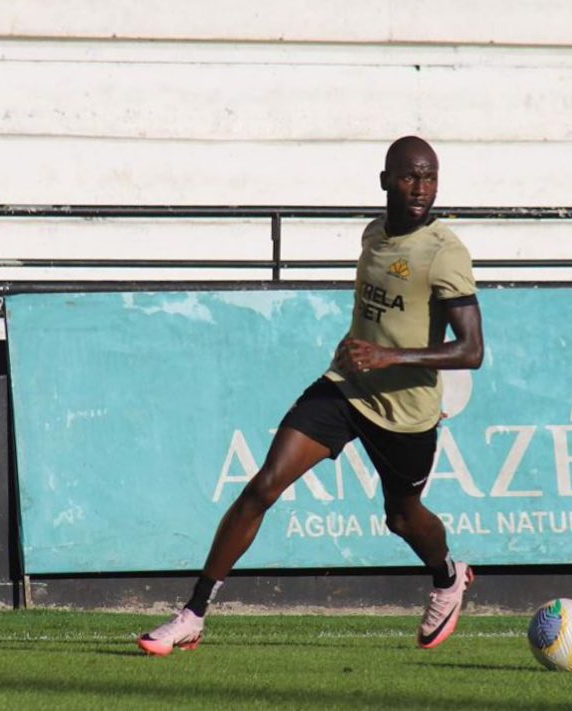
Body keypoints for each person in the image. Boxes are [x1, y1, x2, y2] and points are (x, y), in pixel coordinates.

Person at [138, 135, 484, 656]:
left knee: (402, 517)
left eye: (430, 177)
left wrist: (393, 358)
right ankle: (194, 614)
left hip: (405, 412)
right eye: (410, 176)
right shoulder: (374, 234)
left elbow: (472, 349)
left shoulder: (444, 253)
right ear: (385, 180)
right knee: (263, 486)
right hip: (345, 388)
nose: (421, 188)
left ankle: (447, 577)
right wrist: (364, 349)